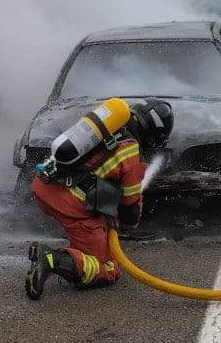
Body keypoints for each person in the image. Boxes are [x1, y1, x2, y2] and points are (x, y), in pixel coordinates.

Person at [25, 98, 174, 299]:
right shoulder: (131, 152)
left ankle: (75, 248)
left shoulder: (107, 127)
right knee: (108, 268)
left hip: (44, 185)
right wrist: (126, 222)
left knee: (93, 232)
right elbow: (130, 209)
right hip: (68, 203)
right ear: (153, 135)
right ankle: (52, 259)